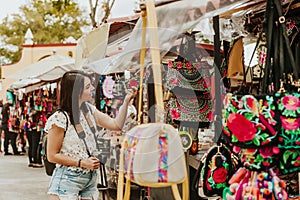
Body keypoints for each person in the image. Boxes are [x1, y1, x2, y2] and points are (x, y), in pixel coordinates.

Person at [45, 70, 137, 200]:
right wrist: (82, 163)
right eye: (88, 87)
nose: (93, 89)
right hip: (68, 180)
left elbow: (116, 125)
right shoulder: (60, 119)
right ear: (77, 92)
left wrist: (127, 100)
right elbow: (52, 155)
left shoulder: (89, 110)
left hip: (91, 178)